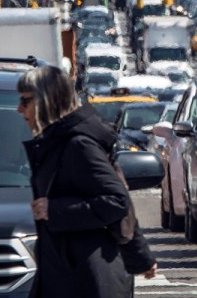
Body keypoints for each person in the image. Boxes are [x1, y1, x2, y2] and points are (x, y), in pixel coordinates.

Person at [17, 65, 156, 298]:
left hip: (87, 278)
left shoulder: (78, 145)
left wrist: (54, 209)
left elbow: (116, 201)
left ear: (48, 101)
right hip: (67, 273)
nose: (19, 109)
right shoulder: (58, 143)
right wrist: (140, 257)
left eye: (26, 101)